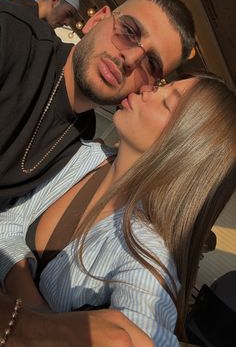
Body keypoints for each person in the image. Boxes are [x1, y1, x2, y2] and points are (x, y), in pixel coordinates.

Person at [0, 74, 235, 346]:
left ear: (187, 149)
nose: (148, 89)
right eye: (162, 86)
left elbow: (142, 335)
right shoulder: (85, 155)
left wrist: (20, 312)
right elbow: (6, 222)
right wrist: (39, 312)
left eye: (167, 102)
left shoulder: (149, 249)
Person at [0, 0, 195, 210]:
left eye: (151, 63)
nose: (130, 59)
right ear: (96, 20)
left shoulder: (84, 138)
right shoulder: (12, 35)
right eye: (129, 31)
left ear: (149, 85)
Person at [8, 0, 79, 28]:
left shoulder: (44, 32)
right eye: (67, 14)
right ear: (54, 0)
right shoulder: (17, 8)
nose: (67, 23)